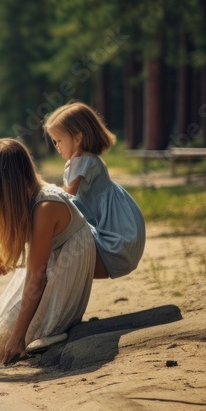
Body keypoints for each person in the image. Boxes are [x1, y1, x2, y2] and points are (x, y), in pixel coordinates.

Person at [0, 139, 97, 365]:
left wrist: (18, 337)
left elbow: (37, 277)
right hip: (50, 270)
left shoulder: (46, 207)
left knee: (1, 351)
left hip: (61, 277)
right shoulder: (33, 196)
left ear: (6, 186)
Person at [44, 101, 146, 279]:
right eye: (54, 141)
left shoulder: (82, 161)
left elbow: (68, 194)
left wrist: (43, 191)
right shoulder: (86, 159)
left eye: (59, 140)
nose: (57, 146)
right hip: (119, 223)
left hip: (117, 232)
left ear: (77, 138)